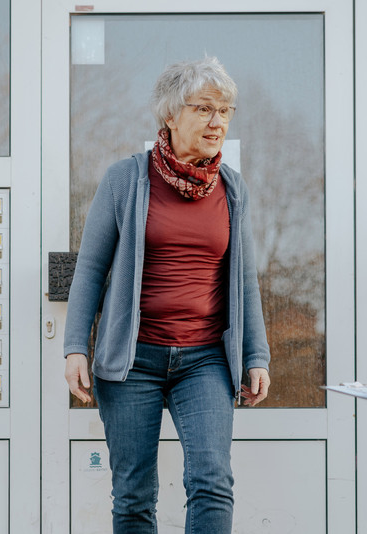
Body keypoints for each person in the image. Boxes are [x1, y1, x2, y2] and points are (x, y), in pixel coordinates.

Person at [63, 56, 271, 534]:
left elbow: (243, 280)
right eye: (204, 108)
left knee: (212, 481)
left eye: (225, 111)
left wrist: (255, 354)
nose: (217, 121)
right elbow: (91, 269)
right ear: (171, 115)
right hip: (133, 359)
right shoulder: (126, 180)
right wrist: (76, 345)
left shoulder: (232, 190)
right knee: (134, 493)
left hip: (204, 360)